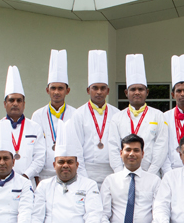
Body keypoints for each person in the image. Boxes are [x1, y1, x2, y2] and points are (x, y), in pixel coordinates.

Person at [56, 50, 120, 185]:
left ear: (108, 91)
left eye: (103, 88)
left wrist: (118, 173)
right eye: (95, 88)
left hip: (112, 171)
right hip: (87, 171)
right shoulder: (78, 114)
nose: (99, 92)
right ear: (88, 90)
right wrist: (84, 177)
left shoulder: (116, 114)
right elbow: (76, 147)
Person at [107, 54, 168, 176]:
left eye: (140, 89)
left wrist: (150, 174)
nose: (137, 93)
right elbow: (113, 147)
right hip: (124, 175)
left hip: (151, 174)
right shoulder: (117, 118)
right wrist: (120, 173)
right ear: (126, 93)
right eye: (133, 89)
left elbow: (161, 147)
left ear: (147, 92)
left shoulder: (158, 115)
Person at [30, 49, 77, 184]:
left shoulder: (75, 114)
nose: (56, 92)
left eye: (60, 88)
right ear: (47, 90)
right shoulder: (37, 115)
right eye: (53, 88)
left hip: (68, 174)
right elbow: (34, 148)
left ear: (67, 91)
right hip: (44, 174)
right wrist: (36, 176)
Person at [0, 66, 45, 180]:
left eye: (19, 100)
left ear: (24, 104)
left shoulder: (35, 127)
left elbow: (40, 158)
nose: (15, 103)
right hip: (3, 181)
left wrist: (26, 176)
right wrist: (5, 177)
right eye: (11, 100)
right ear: (5, 104)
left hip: (28, 180)